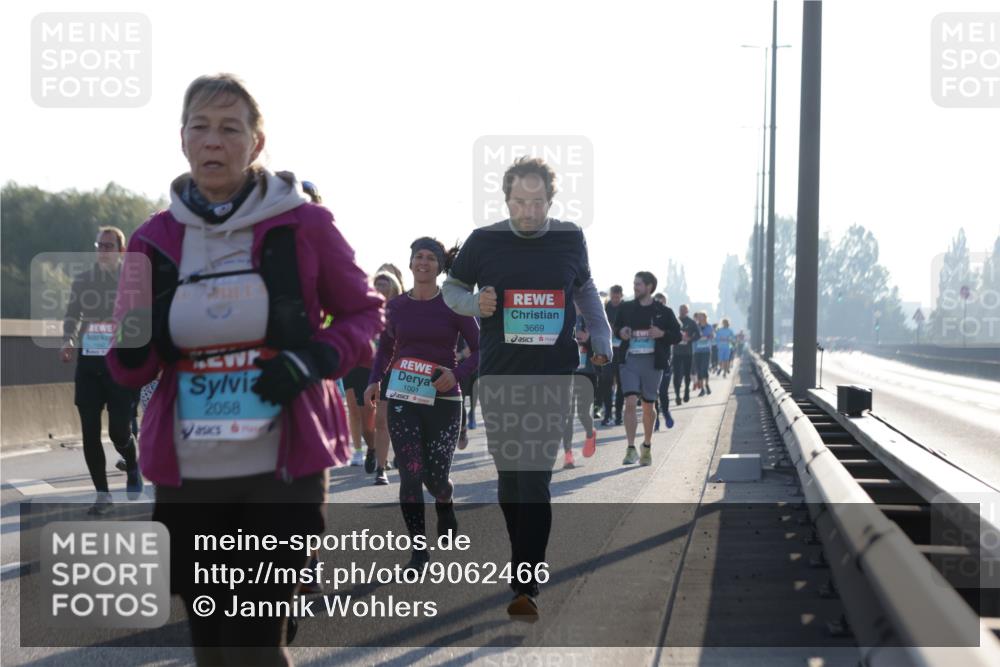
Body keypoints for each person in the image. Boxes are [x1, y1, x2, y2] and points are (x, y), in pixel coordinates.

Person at [108, 73, 383, 666]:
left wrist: (313, 359)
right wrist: (131, 347)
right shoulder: (150, 241)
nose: (214, 141)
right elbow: (129, 367)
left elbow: (365, 315)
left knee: (254, 643)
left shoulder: (305, 223)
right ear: (182, 139)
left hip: (281, 463)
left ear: (256, 143)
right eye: (200, 127)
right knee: (212, 647)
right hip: (189, 469)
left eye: (230, 128)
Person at [443, 156, 610, 621]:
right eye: (520, 201)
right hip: (498, 377)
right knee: (510, 478)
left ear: (550, 201)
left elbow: (585, 289)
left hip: (553, 376)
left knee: (535, 476)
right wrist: (476, 302)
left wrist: (601, 335)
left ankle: (525, 582)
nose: (529, 211)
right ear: (507, 199)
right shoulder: (484, 241)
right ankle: (526, 561)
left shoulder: (570, 238)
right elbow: (451, 288)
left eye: (537, 202)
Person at [364, 237, 479, 570]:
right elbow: (385, 348)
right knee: (411, 473)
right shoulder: (396, 306)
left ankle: (445, 501)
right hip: (402, 397)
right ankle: (418, 551)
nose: (423, 262)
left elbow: (480, 349)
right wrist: (375, 379)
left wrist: (455, 374)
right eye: (418, 257)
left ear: (440, 266)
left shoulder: (453, 304)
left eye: (430, 257)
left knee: (436, 477)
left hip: (443, 399)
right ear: (411, 263)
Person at [60, 226, 142, 514]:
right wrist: (68, 340)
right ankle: (103, 496)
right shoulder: (84, 280)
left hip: (120, 366)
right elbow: (72, 314)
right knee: (90, 432)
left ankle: (132, 463)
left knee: (120, 431)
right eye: (100, 245)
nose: (103, 250)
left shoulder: (130, 281)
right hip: (89, 364)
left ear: (121, 251)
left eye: (109, 245)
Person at [613, 273, 681, 467]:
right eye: (634, 284)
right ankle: (630, 448)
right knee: (630, 401)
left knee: (649, 406)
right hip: (630, 361)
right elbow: (616, 328)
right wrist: (622, 332)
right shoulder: (626, 308)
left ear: (649, 287)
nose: (635, 287)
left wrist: (661, 333)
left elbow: (677, 336)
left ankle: (647, 446)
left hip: (653, 362)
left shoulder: (663, 311)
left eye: (639, 284)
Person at [369, 270, 404, 483]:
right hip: (380, 370)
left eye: (385, 284)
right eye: (378, 285)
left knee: (402, 420)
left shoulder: (403, 307)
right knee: (381, 421)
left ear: (394, 287)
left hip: (404, 370)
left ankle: (405, 458)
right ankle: (380, 468)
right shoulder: (368, 310)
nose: (381, 288)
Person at [562, 305, 599, 468]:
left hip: (587, 372)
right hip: (567, 372)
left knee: (583, 412)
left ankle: (590, 433)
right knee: (567, 415)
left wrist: (588, 339)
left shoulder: (592, 317)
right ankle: (568, 454)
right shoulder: (563, 315)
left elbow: (604, 342)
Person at [597, 285, 625, 426]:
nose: (615, 299)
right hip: (606, 350)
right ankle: (607, 413)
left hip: (622, 350)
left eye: (617, 296)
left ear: (621, 295)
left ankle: (618, 414)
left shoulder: (626, 308)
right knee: (606, 382)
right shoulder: (605, 307)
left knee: (621, 384)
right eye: (613, 296)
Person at [651, 293, 675, 431]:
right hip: (650, 360)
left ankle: (665, 412)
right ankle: (655, 419)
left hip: (665, 360)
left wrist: (663, 334)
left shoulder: (670, 317)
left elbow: (676, 336)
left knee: (663, 391)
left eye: (662, 302)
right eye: (657, 301)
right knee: (652, 393)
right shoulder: (648, 317)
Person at [671, 304, 700, 405]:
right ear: (678, 311)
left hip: (687, 352)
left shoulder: (691, 322)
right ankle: (678, 395)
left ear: (687, 311)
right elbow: (669, 332)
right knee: (677, 375)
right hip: (677, 352)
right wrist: (674, 339)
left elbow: (698, 334)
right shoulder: (674, 321)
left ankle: (687, 390)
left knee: (687, 374)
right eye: (681, 310)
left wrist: (690, 339)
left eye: (684, 310)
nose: (682, 311)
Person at [693, 311, 714, 395]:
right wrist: (697, 337)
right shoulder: (695, 327)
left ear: (705, 317)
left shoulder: (709, 327)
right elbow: (692, 336)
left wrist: (706, 337)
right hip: (697, 351)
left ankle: (707, 384)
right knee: (699, 370)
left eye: (701, 317)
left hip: (706, 350)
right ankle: (702, 389)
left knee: (704, 369)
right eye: (699, 317)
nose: (700, 318)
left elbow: (712, 336)